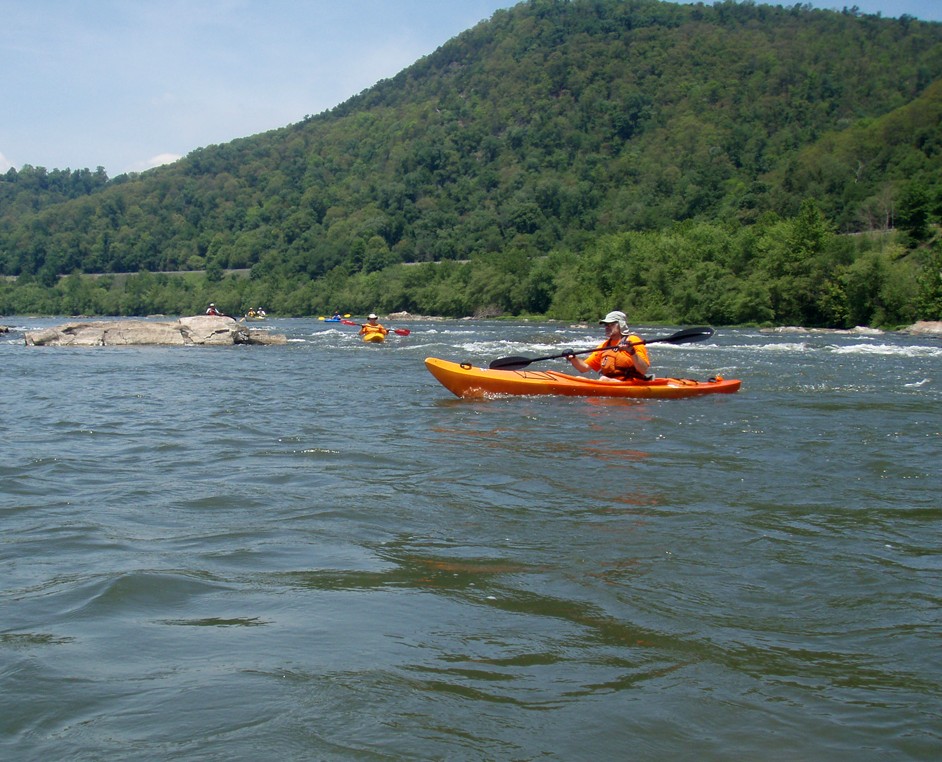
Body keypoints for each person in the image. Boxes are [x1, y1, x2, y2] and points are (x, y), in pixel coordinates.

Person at [566, 310, 651, 380]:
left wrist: (631, 351)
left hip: (631, 384)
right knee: (578, 378)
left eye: (611, 324)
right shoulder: (604, 346)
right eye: (606, 325)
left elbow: (643, 370)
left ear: (621, 325)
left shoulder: (633, 340)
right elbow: (584, 368)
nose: (607, 327)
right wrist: (573, 358)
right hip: (610, 383)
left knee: (603, 379)